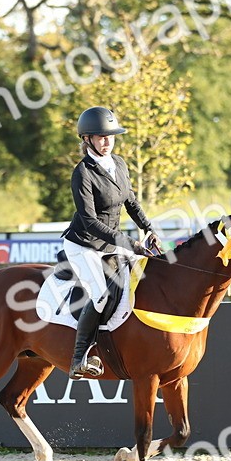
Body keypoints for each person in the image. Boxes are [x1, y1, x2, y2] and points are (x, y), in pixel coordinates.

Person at [62, 106, 160, 379]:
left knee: (142, 277)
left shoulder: (118, 163)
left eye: (111, 137)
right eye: (101, 137)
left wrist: (148, 229)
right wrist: (129, 243)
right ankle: (79, 358)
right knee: (101, 295)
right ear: (87, 139)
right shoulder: (83, 173)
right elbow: (90, 222)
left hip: (111, 242)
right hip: (84, 244)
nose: (107, 142)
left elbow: (131, 202)